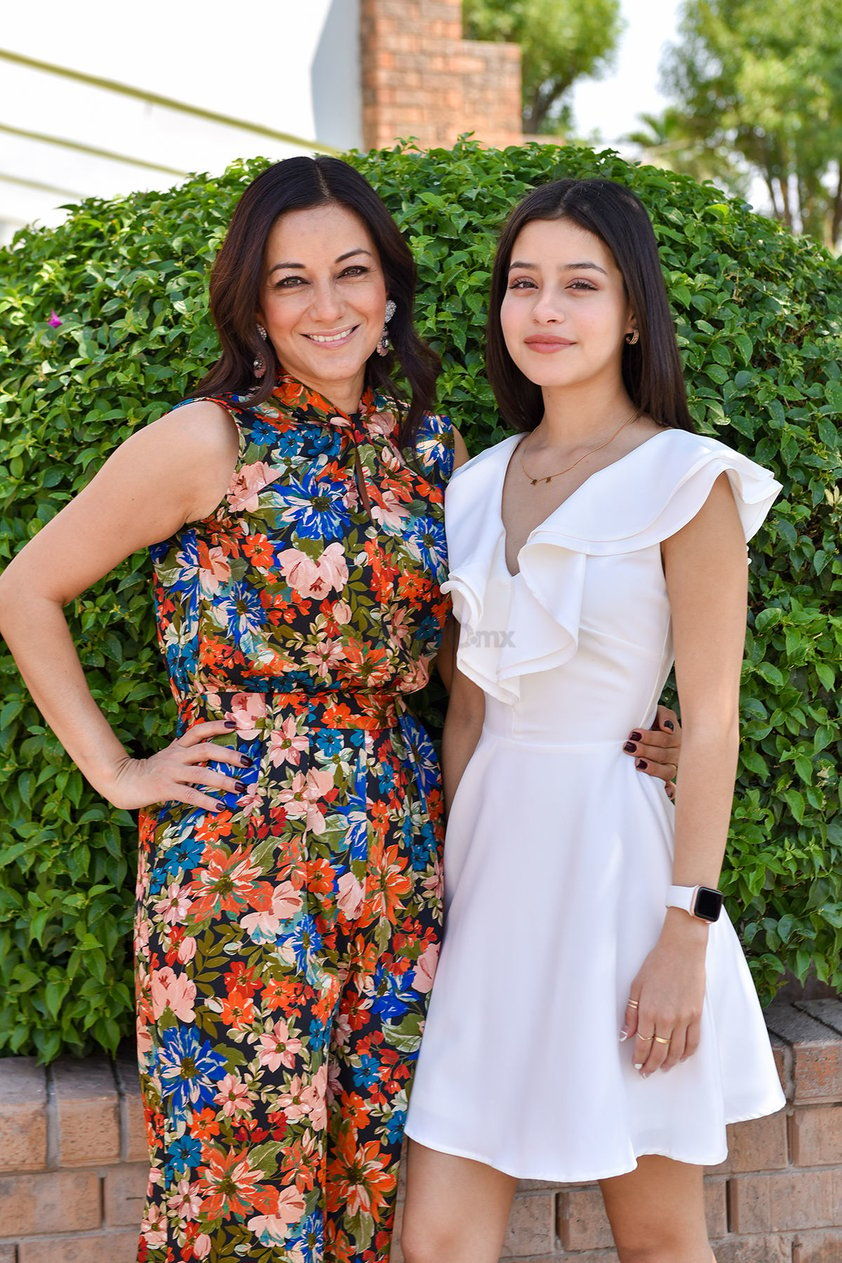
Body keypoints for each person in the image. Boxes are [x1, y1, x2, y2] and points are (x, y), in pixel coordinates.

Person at [0, 158, 680, 1263]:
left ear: (388, 289)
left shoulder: (434, 453)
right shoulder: (207, 442)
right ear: (254, 305)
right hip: (238, 865)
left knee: (369, 1182)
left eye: (350, 273)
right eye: (291, 281)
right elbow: (26, 588)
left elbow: (490, 662)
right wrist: (117, 771)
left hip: (403, 855)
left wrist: (654, 728)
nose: (327, 307)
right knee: (242, 1199)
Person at [401, 178, 786, 1263]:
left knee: (657, 1238)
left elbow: (710, 725)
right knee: (433, 1239)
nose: (544, 309)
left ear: (630, 312)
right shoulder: (469, 488)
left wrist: (686, 931)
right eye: (523, 284)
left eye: (579, 283)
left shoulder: (687, 480)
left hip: (626, 886)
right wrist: (441, 889)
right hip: (489, 881)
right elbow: (468, 713)